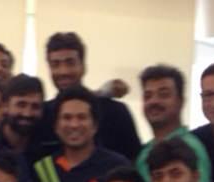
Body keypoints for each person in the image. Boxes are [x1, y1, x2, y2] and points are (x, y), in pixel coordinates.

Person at [40, 31, 142, 161]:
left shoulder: (116, 112)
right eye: (55, 65)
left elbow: (135, 163)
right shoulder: (42, 116)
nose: (63, 71)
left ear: (83, 66)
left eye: (70, 63)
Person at [133, 64, 211, 182]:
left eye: (163, 94)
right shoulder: (144, 152)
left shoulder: (190, 147)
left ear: (180, 101)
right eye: (148, 96)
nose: (154, 101)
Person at [0, 73, 48, 166]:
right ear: (5, 106)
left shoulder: (45, 148)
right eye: (21, 105)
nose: (27, 113)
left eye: (35, 106)